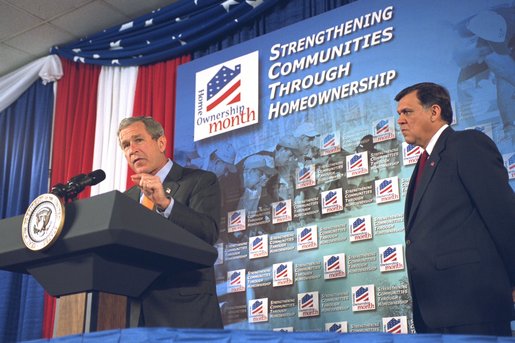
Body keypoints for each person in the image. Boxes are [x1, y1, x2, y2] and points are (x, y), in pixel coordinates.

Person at [395, 82, 515, 336]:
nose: (400, 121)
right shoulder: (423, 162)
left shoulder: (467, 144)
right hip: (434, 312)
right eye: (399, 114)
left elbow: (504, 215)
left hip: (473, 308)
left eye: (407, 112)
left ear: (434, 112)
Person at [117, 116, 223, 329]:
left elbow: (207, 233)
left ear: (161, 143)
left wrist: (165, 203)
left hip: (185, 311)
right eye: (126, 145)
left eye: (138, 140)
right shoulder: (125, 199)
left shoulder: (199, 181)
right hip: (135, 314)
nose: (132, 149)